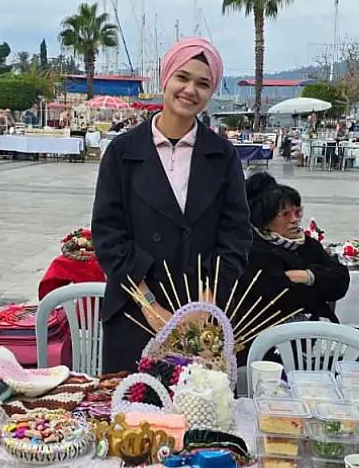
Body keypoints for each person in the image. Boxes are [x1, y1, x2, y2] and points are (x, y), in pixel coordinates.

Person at [91, 36, 252, 373]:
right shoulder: (122, 152)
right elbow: (109, 235)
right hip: (135, 312)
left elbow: (236, 236)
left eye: (203, 84)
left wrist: (206, 304)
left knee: (200, 403)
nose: (190, 90)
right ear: (165, 79)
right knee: (132, 403)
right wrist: (151, 307)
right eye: (182, 77)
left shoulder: (223, 156)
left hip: (203, 321)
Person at [238, 173, 349, 352]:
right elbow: (281, 296)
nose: (294, 219)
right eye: (285, 214)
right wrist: (319, 284)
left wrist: (307, 276)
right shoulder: (254, 250)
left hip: (316, 329)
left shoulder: (307, 244)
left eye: (297, 212)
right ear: (265, 220)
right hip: (270, 338)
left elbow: (341, 281)